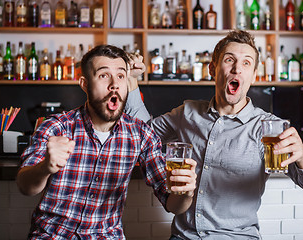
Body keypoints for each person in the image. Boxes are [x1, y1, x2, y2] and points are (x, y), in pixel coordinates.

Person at [125, 30, 303, 239]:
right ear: (212, 69)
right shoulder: (186, 113)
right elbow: (143, 133)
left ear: (254, 75)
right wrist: (131, 81)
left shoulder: (269, 128)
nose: (237, 68)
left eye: (246, 63)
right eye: (229, 60)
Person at [16, 45, 197, 239]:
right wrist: (45, 167)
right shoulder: (56, 127)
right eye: (103, 75)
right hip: (52, 235)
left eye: (120, 76)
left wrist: (185, 193)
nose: (114, 84)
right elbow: (25, 187)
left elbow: (172, 204)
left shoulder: (141, 134)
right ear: (85, 84)